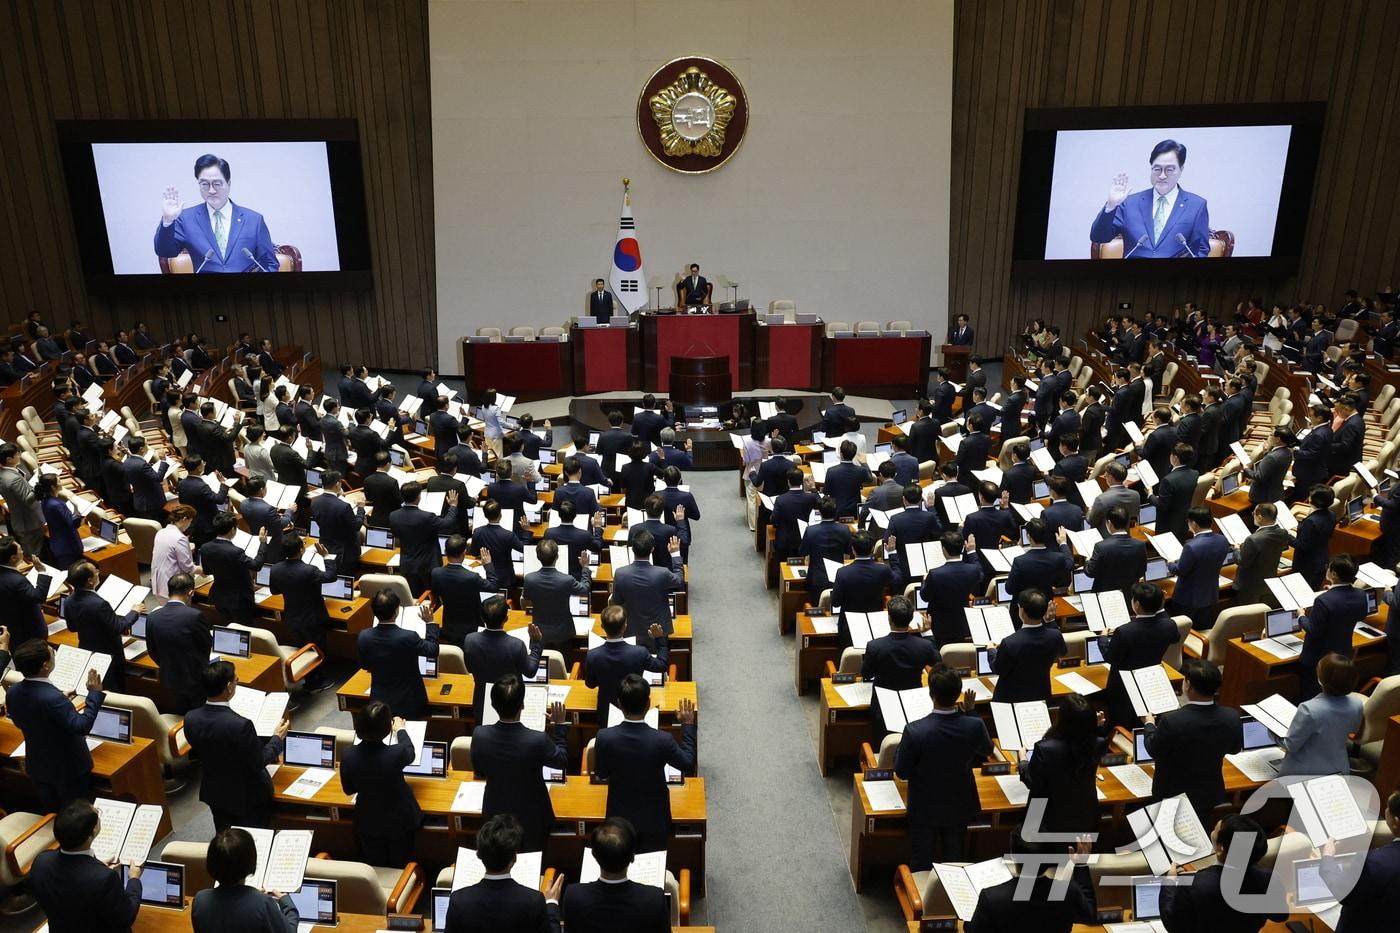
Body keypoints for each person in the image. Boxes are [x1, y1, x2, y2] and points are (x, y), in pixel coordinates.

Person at [894, 665, 992, 868]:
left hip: (924, 807)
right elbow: (986, 749)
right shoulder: (973, 725)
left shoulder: (914, 731)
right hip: (960, 804)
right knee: (954, 861)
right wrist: (971, 711)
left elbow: (901, 772)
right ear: (958, 693)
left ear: (931, 694)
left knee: (921, 862)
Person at [593, 674, 698, 853]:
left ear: (619, 704)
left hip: (619, 822)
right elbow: (688, 764)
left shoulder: (604, 737)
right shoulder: (662, 740)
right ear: (648, 704)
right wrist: (687, 725)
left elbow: (601, 774)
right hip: (655, 820)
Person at [184, 660, 289, 830]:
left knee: (225, 837)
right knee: (253, 840)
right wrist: (277, 739)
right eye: (236, 680)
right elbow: (258, 761)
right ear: (229, 687)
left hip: (216, 792)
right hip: (248, 796)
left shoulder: (190, 718)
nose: (237, 681)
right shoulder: (240, 725)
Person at [471, 674, 571, 851]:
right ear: (523, 705)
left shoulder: (479, 735)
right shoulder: (537, 740)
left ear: (493, 705)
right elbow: (561, 760)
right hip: (532, 817)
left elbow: (479, 771)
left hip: (496, 812)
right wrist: (560, 726)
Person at [5, 639, 106, 810]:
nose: (54, 653)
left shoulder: (13, 691)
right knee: (76, 815)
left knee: (53, 811)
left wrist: (59, 706)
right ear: (45, 665)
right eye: (52, 652)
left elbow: (19, 720)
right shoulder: (52, 698)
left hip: (38, 765)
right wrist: (94, 695)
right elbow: (82, 726)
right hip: (68, 768)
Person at [1141, 658, 1242, 821]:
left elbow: (1153, 749)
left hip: (1172, 793)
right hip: (1208, 792)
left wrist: (1150, 725)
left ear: (1188, 684)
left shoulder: (1171, 721)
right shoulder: (1231, 717)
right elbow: (1234, 749)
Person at [28, 800, 143, 933]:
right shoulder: (104, 879)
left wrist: (96, 869)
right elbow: (126, 917)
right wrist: (134, 880)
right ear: (92, 832)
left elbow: (70, 887)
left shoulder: (41, 861)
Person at [1159, 814, 1287, 933]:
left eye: (1215, 830)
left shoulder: (1195, 886)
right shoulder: (1270, 879)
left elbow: (1173, 924)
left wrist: (1170, 882)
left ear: (1221, 849)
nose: (1212, 831)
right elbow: (1279, 916)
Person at [154, 154, 278, 272]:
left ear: (228, 183)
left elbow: (270, 264)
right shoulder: (186, 219)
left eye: (217, 184)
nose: (211, 190)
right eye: (205, 184)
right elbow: (165, 251)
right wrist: (168, 221)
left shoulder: (254, 220)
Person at [1090, 139, 1209, 258]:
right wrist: (1111, 206)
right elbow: (1099, 237)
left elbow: (1201, 250)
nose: (1162, 176)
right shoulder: (1129, 203)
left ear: (1181, 169)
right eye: (1157, 169)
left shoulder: (1196, 206)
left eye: (1169, 169)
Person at [444, 814, 562, 933]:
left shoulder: (458, 901)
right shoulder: (534, 901)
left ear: (478, 854)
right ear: (514, 858)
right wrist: (552, 903)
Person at [339, 701, 422, 868]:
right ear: (387, 728)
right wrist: (401, 729)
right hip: (400, 821)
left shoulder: (348, 754)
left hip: (368, 821)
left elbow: (349, 790)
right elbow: (410, 751)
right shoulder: (396, 753)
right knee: (400, 864)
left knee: (375, 864)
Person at [966, 829, 1096, 932]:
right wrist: (1080, 865)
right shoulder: (1068, 892)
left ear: (1013, 856)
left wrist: (969, 923)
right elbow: (1090, 916)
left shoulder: (992, 898)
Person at [562, 818, 670, 933]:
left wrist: (552, 903)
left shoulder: (573, 895)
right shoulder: (654, 898)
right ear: (633, 857)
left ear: (593, 855)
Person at [1020, 694, 1106, 837]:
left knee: (1036, 858)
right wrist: (1090, 726)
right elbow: (1082, 744)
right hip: (1085, 818)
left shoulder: (1045, 749)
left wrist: (1023, 761)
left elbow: (1032, 781)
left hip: (1045, 822)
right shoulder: (1098, 744)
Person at [1320, 788, 1400, 931]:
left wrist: (1327, 858)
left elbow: (1343, 893)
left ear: (1396, 821)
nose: (1385, 810)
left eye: (1387, 807)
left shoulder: (1372, 863)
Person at [190, 828, 299, 932]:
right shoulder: (263, 904)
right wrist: (287, 903)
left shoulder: (200, 900)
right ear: (251, 862)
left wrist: (254, 897)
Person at [1102, 582, 1179, 728]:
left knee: (1122, 722)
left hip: (1123, 684)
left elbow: (1110, 657)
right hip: (1151, 679)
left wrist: (1103, 639)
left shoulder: (1124, 631)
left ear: (1136, 604)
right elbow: (1175, 638)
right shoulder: (1169, 625)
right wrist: (1161, 607)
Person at [267, 533, 338, 691]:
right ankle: (317, 682)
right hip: (313, 617)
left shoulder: (276, 569)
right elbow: (331, 576)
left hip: (292, 617)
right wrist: (327, 557)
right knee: (318, 650)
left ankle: (309, 679)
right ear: (300, 550)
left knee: (302, 648)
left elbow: (274, 591)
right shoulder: (309, 570)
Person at [1279, 652, 1364, 778]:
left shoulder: (1309, 709)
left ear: (1320, 679)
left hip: (1304, 773)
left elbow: (1290, 745)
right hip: (1339, 769)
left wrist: (1270, 731)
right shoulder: (1357, 704)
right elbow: (1353, 730)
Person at [359, 589, 440, 719]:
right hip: (409, 700)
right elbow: (432, 651)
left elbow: (365, 665)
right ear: (397, 611)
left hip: (379, 700)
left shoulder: (364, 636)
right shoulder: (408, 637)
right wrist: (430, 624)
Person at [1297, 554, 1368, 699]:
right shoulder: (1361, 594)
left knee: (1312, 695)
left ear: (1333, 574)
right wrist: (1333, 591)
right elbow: (1360, 615)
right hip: (1343, 652)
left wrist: (1301, 616)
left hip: (1317, 657)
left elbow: (1313, 630)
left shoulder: (1323, 600)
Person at [63, 560, 141, 691]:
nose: (98, 573)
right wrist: (134, 612)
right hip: (109, 654)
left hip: (87, 650)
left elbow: (72, 627)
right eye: (95, 571)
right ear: (90, 581)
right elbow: (118, 627)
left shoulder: (69, 600)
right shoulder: (99, 604)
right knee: (115, 689)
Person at [463, 595, 543, 717]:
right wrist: (536, 643)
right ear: (506, 618)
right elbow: (530, 671)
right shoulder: (516, 645)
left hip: (483, 700)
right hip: (511, 702)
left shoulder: (469, 640)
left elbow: (469, 667)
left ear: (482, 618)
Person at [145, 572, 211, 713]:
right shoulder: (194, 616)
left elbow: (152, 650)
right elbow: (206, 645)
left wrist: (168, 665)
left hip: (170, 677)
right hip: (196, 677)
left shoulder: (152, 617)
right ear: (191, 592)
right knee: (199, 712)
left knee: (182, 709)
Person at [609, 530, 684, 645]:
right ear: (652, 550)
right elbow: (679, 581)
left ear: (632, 549)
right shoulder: (662, 573)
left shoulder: (620, 573)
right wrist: (675, 555)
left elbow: (617, 602)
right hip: (658, 631)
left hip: (631, 631)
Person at [990, 589, 1066, 702]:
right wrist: (1050, 621)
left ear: (1022, 610)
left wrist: (991, 650)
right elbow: (1061, 652)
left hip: (1010, 699)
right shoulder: (1055, 636)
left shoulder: (1009, 642)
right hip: (1040, 695)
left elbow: (998, 669)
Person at [389, 481, 459, 595]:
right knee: (433, 596)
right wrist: (453, 506)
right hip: (428, 565)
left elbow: (396, 535)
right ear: (418, 497)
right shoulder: (427, 517)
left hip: (407, 564)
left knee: (414, 596)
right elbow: (447, 524)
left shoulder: (393, 516)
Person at [1166, 506, 1231, 631]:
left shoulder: (1191, 546)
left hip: (1187, 598)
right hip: (1210, 595)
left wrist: (1170, 564)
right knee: (1203, 629)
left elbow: (1180, 570)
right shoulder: (1222, 540)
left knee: (1183, 631)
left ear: (1194, 523)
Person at [523, 538, 592, 652]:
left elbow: (526, 599)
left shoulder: (529, 579)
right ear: (557, 557)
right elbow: (584, 588)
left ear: (538, 557)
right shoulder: (566, 580)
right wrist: (585, 568)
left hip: (539, 632)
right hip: (563, 633)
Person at [831, 531, 897, 648]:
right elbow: (898, 579)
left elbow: (835, 603)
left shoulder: (843, 573)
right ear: (872, 549)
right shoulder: (883, 570)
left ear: (853, 550)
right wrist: (892, 553)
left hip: (849, 628)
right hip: (875, 625)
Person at [1002, 519, 1072, 611]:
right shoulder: (1057, 558)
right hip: (1046, 607)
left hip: (1023, 610)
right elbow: (1069, 563)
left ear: (1028, 536)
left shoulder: (1019, 561)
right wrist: (1063, 543)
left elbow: (1009, 589)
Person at [1232, 503, 1289, 606]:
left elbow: (1242, 562)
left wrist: (1236, 549)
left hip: (1250, 586)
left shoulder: (1253, 539)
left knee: (1248, 616)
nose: (1252, 515)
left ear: (1259, 517)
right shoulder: (1283, 533)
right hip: (1268, 583)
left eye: (1253, 513)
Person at [1083, 506, 1146, 594]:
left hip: (1104, 594)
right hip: (1129, 593)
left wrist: (1087, 561)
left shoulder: (1101, 547)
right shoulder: (1140, 545)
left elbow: (1090, 572)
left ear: (1109, 523)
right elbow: (1141, 572)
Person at [0, 536, 48, 645]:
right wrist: (42, 572)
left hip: (10, 628)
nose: (22, 551)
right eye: (20, 549)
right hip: (28, 632)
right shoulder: (17, 580)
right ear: (13, 558)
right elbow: (38, 597)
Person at [0, 443, 44, 559]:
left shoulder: (4, 473)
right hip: (29, 522)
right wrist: (39, 489)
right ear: (9, 459)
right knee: (34, 553)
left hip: (19, 519)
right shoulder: (14, 479)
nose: (19, 455)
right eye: (17, 454)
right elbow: (27, 500)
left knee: (29, 548)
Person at [151, 504, 198, 600]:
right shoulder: (180, 538)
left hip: (158, 583)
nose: (190, 525)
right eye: (190, 521)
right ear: (184, 519)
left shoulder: (160, 532)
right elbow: (188, 568)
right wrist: (202, 570)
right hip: (174, 586)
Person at [36, 474, 83, 570]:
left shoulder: (45, 501)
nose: (61, 483)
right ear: (53, 487)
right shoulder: (57, 505)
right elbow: (72, 524)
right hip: (68, 545)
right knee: (71, 572)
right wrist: (77, 511)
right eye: (59, 481)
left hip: (57, 542)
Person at [1086, 462, 1139, 529]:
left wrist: (1090, 509)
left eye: (1106, 474)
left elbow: (1091, 521)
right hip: (1127, 532)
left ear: (1111, 477)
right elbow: (1134, 518)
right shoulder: (1136, 495)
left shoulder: (1101, 499)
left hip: (1106, 536)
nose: (1105, 476)